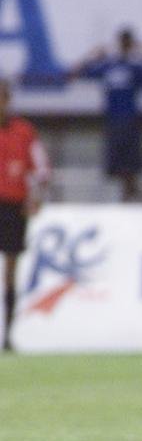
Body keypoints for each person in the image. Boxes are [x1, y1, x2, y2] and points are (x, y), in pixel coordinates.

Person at [72, 28, 142, 201]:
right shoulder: (108, 66)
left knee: (131, 162)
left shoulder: (136, 68)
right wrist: (92, 57)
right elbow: (73, 74)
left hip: (131, 119)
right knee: (117, 162)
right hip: (113, 119)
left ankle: (130, 192)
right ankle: (127, 193)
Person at [0, 79, 51, 352]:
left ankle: (7, 335)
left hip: (12, 207)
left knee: (10, 273)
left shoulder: (23, 131)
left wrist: (36, 197)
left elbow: (41, 169)